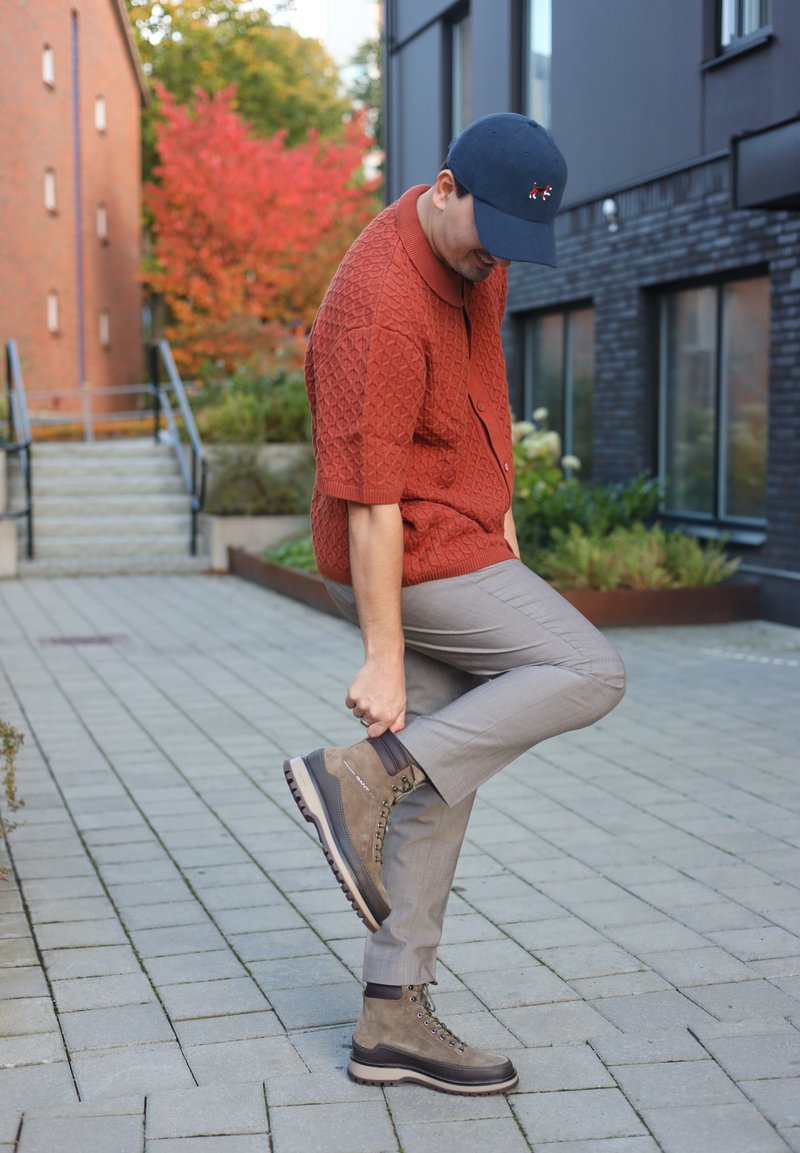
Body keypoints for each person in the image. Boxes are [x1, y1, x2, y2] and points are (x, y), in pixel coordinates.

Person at [284, 113, 626, 1096]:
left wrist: (504, 513)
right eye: (485, 236)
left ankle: (391, 1017)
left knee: (442, 780)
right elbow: (368, 501)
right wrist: (382, 656)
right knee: (585, 669)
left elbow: (484, 386)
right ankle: (357, 772)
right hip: (399, 545)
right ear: (442, 185)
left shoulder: (482, 255)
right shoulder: (379, 305)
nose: (494, 261)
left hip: (459, 533)